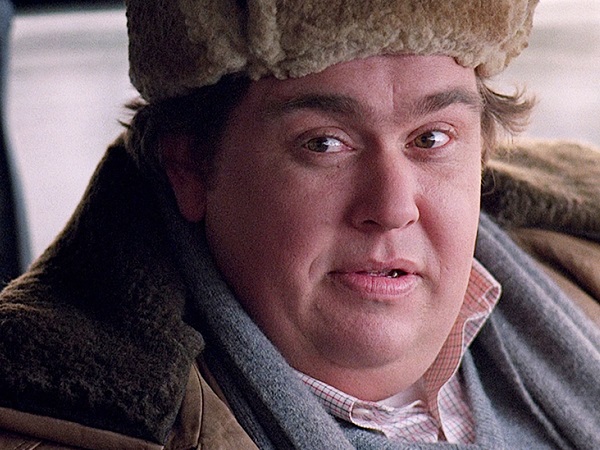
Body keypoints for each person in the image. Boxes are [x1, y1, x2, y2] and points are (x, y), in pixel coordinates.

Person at [0, 0, 599, 448]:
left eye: (431, 139)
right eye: (325, 143)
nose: (393, 207)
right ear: (190, 169)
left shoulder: (578, 254)